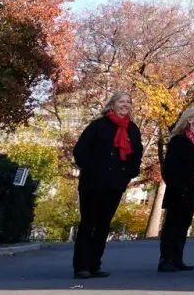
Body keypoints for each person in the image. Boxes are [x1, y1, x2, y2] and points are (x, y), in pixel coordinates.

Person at [71, 91, 143, 280]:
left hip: (115, 184)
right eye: (121, 101)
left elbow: (136, 155)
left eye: (128, 102)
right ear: (112, 104)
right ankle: (81, 266)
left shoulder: (133, 129)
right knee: (88, 223)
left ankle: (95, 264)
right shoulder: (98, 126)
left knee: (103, 224)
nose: (125, 105)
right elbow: (80, 150)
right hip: (93, 183)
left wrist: (129, 174)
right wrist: (92, 169)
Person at [158, 106, 194, 272]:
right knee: (172, 224)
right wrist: (177, 184)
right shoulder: (178, 140)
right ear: (189, 119)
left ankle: (177, 259)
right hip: (178, 189)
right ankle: (165, 260)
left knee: (184, 223)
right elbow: (169, 167)